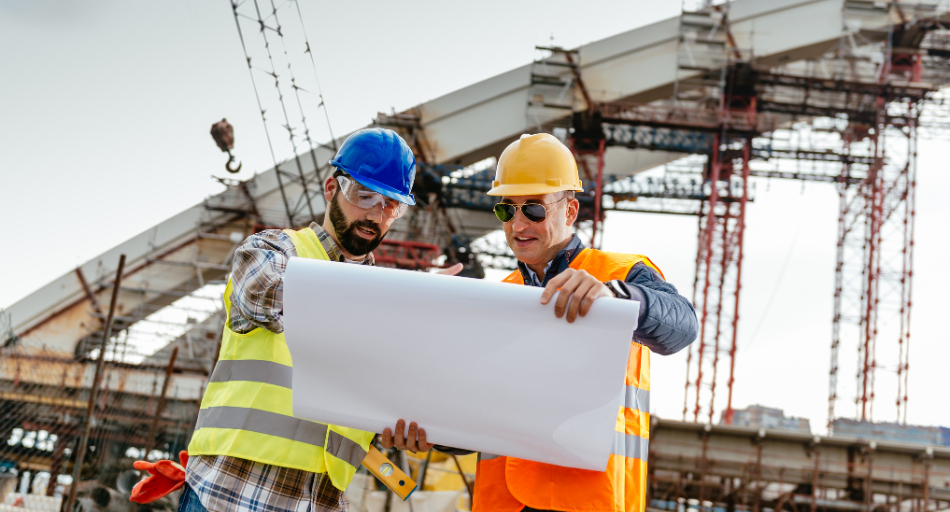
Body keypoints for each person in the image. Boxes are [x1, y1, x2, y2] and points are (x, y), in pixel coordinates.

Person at [180, 128, 460, 512]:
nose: (375, 214)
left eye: (390, 205)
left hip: (321, 501)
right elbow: (266, 294)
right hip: (231, 492)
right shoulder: (273, 249)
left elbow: (401, 395)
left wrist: (423, 428)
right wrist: (403, 304)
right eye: (364, 195)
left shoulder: (390, 305)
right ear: (331, 188)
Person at [472, 133, 699, 512]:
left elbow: (683, 326)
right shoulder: (499, 296)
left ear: (570, 211)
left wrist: (617, 299)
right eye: (506, 210)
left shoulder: (621, 274)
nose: (517, 224)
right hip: (504, 502)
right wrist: (431, 433)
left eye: (534, 209)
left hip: (588, 498)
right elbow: (479, 410)